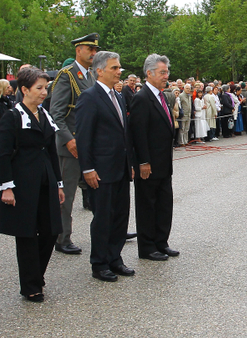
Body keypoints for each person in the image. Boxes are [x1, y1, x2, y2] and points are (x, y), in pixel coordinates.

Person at [0, 67, 64, 302]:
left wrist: (59, 183)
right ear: (24, 89)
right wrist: (6, 186)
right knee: (26, 234)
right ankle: (30, 285)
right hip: (23, 182)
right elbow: (3, 154)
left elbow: (52, 151)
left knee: (51, 230)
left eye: (46, 88)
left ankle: (36, 274)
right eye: (39, 88)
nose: (44, 92)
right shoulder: (12, 116)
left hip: (46, 180)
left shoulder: (44, 114)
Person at [75, 51, 134, 282]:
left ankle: (114, 258)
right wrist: (87, 169)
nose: (119, 72)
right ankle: (99, 263)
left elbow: (124, 133)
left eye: (119, 67)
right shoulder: (89, 97)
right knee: (103, 218)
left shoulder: (118, 96)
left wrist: (129, 163)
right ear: (99, 70)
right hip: (101, 170)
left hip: (120, 168)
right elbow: (84, 137)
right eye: (114, 68)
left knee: (120, 216)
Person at [49, 34, 99, 255]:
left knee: (98, 190)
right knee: (66, 196)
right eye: (90, 49)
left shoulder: (91, 76)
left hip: (89, 145)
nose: (93, 53)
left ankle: (106, 227)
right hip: (71, 147)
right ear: (78, 50)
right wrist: (68, 139)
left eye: (95, 50)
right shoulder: (67, 75)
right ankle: (62, 237)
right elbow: (56, 114)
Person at [130, 54, 179, 262]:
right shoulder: (142, 98)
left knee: (164, 204)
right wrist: (143, 161)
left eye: (167, 72)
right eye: (162, 72)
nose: (166, 76)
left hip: (163, 163)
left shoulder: (162, 96)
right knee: (147, 206)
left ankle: (161, 242)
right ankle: (147, 247)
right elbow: (138, 133)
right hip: (149, 164)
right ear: (149, 74)